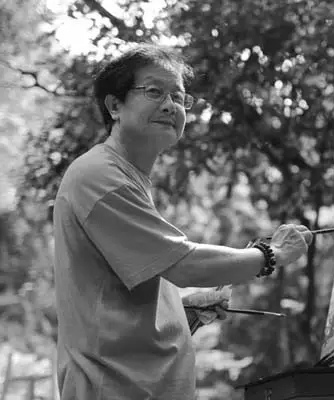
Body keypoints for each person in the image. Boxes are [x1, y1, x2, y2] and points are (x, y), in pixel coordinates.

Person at [52, 43, 313, 400]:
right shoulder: (100, 177)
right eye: (154, 91)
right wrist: (271, 254)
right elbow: (185, 265)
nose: (170, 105)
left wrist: (182, 309)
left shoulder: (126, 177)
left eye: (178, 97)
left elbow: (125, 290)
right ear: (114, 106)